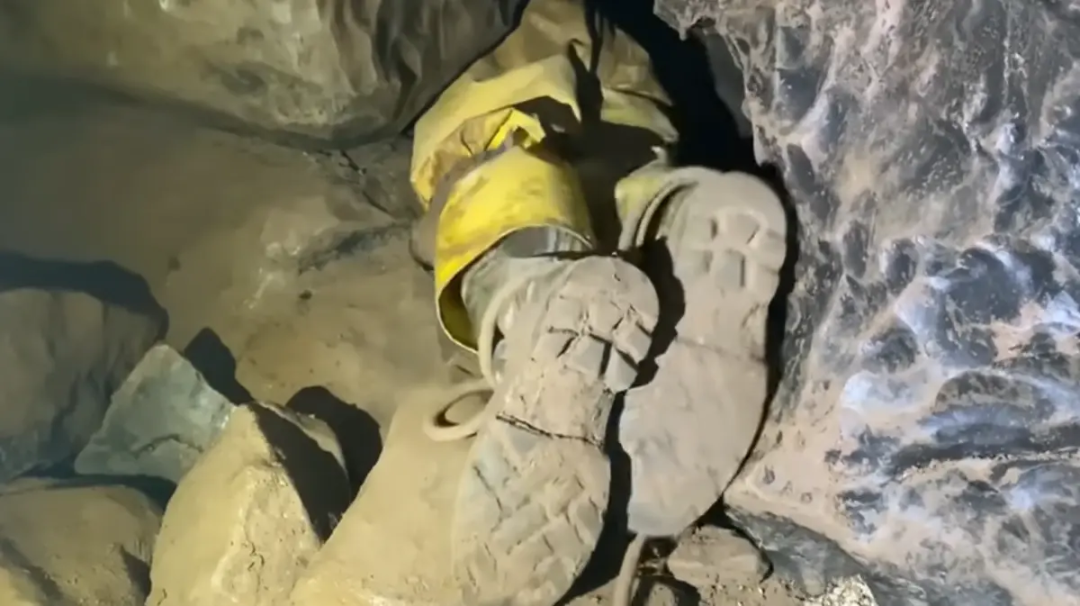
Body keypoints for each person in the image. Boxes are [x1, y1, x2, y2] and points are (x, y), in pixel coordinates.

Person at [408, 0, 788, 602]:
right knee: (622, 176)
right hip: (624, 106)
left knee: (499, 166)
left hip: (534, 99)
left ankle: (530, 305)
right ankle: (651, 257)